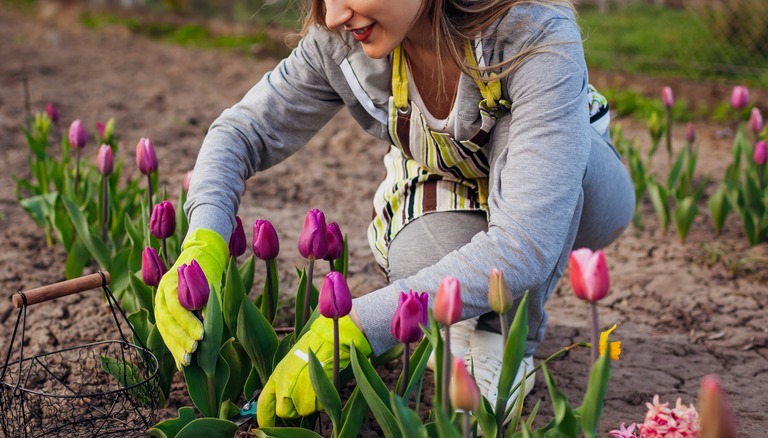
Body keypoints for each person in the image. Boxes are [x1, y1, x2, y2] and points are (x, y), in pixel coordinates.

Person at [153, 0, 635, 426]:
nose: (333, 13)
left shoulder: (532, 31)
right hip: (450, 182)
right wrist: (205, 238)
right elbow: (240, 133)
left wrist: (362, 323)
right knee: (413, 270)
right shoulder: (340, 40)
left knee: (528, 218)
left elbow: (529, 239)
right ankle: (464, 314)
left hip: (576, 189)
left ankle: (505, 340)